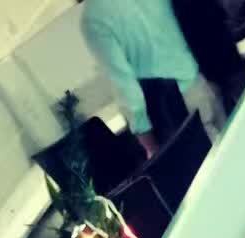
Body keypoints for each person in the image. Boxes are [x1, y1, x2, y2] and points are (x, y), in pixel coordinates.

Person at [81, 0, 227, 156]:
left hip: (174, 112)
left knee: (215, 166)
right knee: (234, 152)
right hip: (202, 85)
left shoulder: (93, 18)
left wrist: (151, 147)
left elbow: (129, 93)